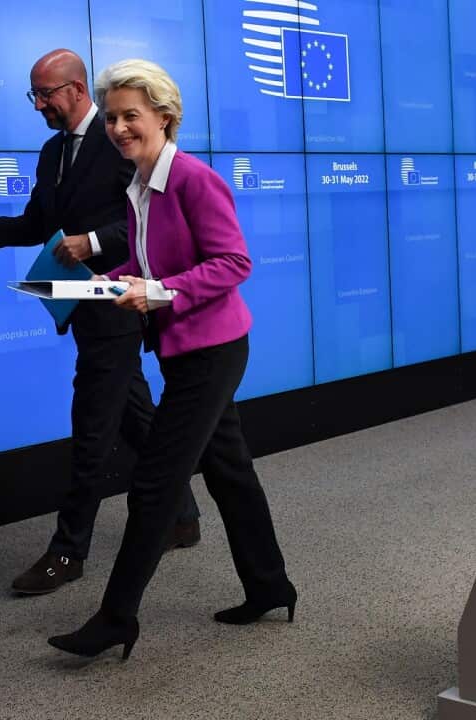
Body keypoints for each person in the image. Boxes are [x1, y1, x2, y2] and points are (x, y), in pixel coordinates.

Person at [47, 59, 297, 659]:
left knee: (156, 481)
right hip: (183, 348)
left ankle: (116, 618)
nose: (118, 127)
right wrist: (102, 284)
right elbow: (149, 265)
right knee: (229, 469)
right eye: (111, 117)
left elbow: (234, 263)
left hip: (212, 349)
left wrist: (157, 291)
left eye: (131, 115)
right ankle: (270, 585)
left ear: (165, 116)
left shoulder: (191, 179)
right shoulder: (138, 186)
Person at [0, 49, 201, 595]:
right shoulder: (53, 151)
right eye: (33, 95)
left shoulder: (121, 141)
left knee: (91, 431)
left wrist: (94, 242)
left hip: (119, 305)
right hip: (83, 308)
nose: (38, 105)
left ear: (76, 89)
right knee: (136, 417)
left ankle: (67, 552)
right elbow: (39, 224)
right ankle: (182, 516)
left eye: (46, 94)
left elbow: (149, 224)